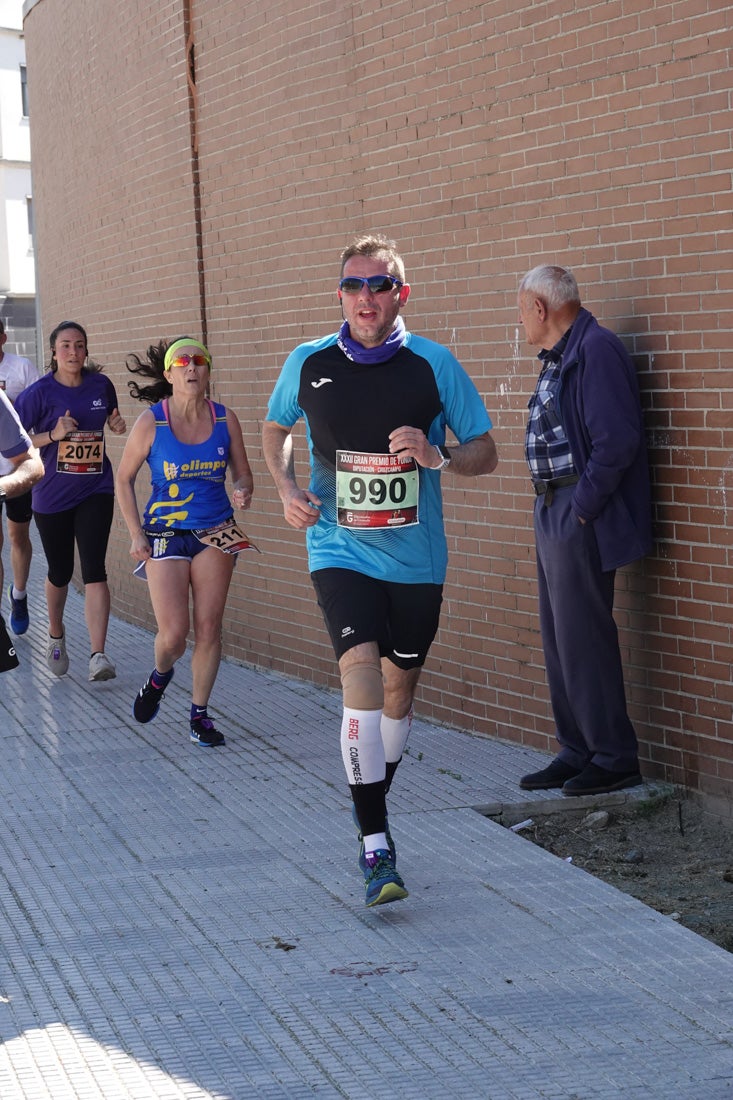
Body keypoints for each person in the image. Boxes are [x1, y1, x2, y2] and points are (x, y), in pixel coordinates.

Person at [262, 233, 498, 907]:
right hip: (338, 549)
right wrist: (284, 490)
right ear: (339, 294)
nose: (366, 297)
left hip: (416, 559)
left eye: (379, 284)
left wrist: (439, 455)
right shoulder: (308, 363)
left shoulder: (433, 364)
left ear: (401, 293)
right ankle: (375, 844)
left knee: (398, 692)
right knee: (359, 677)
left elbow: (486, 450)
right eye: (353, 286)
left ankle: (370, 794)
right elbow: (273, 428)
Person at [516, 265, 652, 797]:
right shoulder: (562, 355)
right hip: (554, 507)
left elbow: (617, 440)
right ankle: (577, 748)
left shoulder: (596, 350)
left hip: (577, 508)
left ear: (541, 308)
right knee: (559, 638)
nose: (520, 322)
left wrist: (582, 509)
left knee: (585, 638)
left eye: (521, 310)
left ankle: (614, 756)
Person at [116, 337, 254, 747]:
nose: (191, 368)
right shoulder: (151, 422)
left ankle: (199, 715)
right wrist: (135, 534)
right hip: (164, 534)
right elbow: (122, 479)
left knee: (209, 628)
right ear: (169, 374)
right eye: (182, 362)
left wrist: (243, 490)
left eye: (199, 361)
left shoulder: (225, 419)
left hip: (215, 532)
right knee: (174, 635)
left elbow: (244, 474)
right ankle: (160, 677)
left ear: (208, 370)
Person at [14, 321, 127, 680]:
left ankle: (98, 655)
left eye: (80, 345)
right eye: (66, 346)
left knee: (95, 568)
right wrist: (53, 434)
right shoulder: (38, 394)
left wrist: (118, 424)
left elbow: (110, 416)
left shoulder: (101, 385)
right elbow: (15, 442)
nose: (74, 353)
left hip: (96, 488)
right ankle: (56, 633)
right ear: (53, 351)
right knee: (60, 571)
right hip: (52, 495)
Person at [0, 319, 40, 634]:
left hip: (15, 469)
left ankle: (20, 593)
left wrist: (10, 410)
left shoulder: (21, 368)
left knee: (17, 538)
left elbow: (37, 414)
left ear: (3, 337)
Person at [0, 387, 44, 667]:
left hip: (8, 481)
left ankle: (19, 594)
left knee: (17, 537)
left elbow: (32, 464)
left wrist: (2, 486)